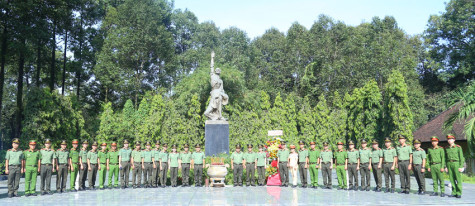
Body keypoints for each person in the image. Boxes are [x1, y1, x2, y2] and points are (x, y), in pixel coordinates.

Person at [445, 134, 464, 198]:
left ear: (454, 140)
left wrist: (461, 166)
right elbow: (445, 158)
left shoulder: (458, 147)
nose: (449, 140)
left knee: (458, 179)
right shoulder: (447, 148)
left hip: (456, 164)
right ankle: (454, 192)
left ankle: (459, 192)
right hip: (449, 164)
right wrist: (446, 166)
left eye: (451, 139)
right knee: (451, 179)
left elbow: (461, 157)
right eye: (448, 139)